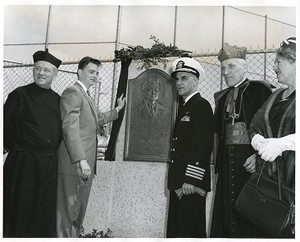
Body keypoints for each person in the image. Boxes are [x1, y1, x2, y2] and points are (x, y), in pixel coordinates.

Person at [56, 56, 125, 238]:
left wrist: (117, 110)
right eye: (91, 72)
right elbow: (69, 127)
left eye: (97, 73)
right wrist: (81, 159)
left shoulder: (85, 94)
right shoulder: (72, 92)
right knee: (67, 216)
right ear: (80, 71)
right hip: (75, 165)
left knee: (77, 214)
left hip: (84, 166)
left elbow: (98, 119)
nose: (95, 76)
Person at [210, 43, 272, 238]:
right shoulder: (221, 99)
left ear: (244, 67)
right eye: (222, 68)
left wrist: (259, 157)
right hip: (228, 162)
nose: (225, 72)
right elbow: (218, 135)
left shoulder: (260, 91)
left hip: (250, 161)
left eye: (231, 67)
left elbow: (271, 128)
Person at [3, 49, 62, 237]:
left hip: (49, 166)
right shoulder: (19, 95)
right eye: (38, 69)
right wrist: (20, 149)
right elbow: (5, 127)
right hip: (23, 163)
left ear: (55, 73)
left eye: (46, 70)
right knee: (20, 209)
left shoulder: (58, 100)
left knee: (43, 212)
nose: (41, 73)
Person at [249, 37, 296, 238]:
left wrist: (282, 144)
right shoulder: (276, 95)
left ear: (295, 61)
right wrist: (257, 141)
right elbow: (254, 125)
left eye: (279, 61)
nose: (274, 66)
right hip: (270, 183)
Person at [167, 57, 214, 238]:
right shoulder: (185, 106)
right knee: (178, 231)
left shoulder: (201, 105)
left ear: (195, 81)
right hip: (180, 182)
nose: (179, 82)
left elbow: (202, 146)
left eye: (184, 78)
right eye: (177, 79)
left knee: (190, 231)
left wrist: (191, 180)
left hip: (189, 184)